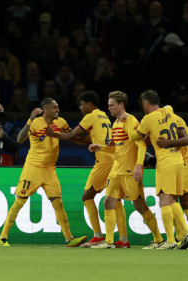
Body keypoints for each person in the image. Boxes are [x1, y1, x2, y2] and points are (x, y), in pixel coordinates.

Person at [0, 98, 87, 247]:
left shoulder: (61, 123)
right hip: (33, 167)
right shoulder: (36, 123)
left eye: (58, 107)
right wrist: (30, 119)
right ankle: (3, 237)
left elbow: (71, 136)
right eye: (55, 107)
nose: (58, 110)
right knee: (20, 201)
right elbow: (19, 139)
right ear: (46, 109)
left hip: (50, 168)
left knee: (58, 202)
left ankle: (69, 238)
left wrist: (89, 141)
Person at [45, 91, 126, 247]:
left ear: (89, 104)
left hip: (103, 160)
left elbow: (72, 134)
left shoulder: (90, 117)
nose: (80, 108)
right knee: (115, 200)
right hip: (114, 159)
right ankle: (123, 239)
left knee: (87, 196)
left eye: (81, 104)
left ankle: (98, 236)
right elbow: (87, 139)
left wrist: (53, 134)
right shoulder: (103, 116)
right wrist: (71, 137)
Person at [88, 91, 164, 249]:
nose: (109, 108)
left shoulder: (131, 120)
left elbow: (141, 144)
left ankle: (158, 240)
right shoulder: (115, 124)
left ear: (121, 104)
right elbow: (118, 149)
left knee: (140, 206)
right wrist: (100, 148)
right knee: (108, 202)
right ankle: (109, 241)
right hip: (116, 170)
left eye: (112, 105)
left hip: (129, 171)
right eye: (108, 105)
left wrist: (138, 166)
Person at [129, 90, 188, 249]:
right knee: (172, 200)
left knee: (163, 199)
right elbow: (185, 138)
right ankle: (183, 235)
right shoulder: (170, 112)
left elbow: (136, 136)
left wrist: (131, 131)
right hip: (178, 161)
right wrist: (171, 141)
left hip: (165, 162)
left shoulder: (148, 119)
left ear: (145, 104)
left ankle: (169, 241)